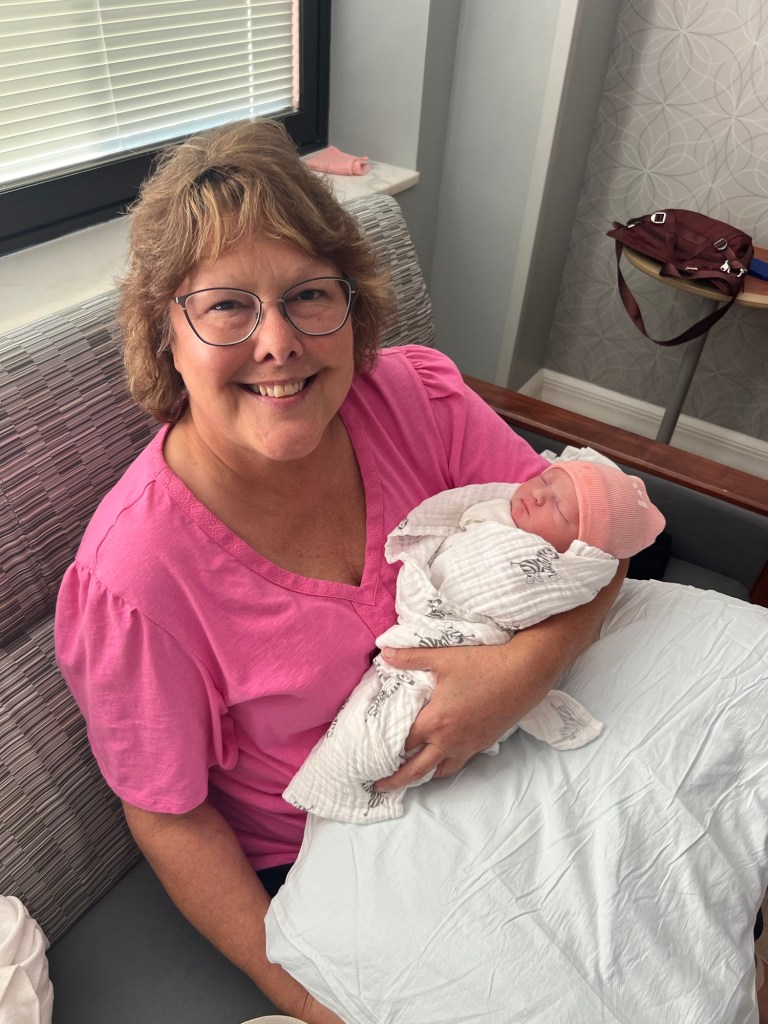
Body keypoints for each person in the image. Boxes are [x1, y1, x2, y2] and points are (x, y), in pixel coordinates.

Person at [53, 118, 626, 1024]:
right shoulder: (136, 579)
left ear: (352, 305)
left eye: (309, 296)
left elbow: (595, 543)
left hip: (512, 751)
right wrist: (314, 1004)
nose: (278, 342)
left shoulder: (415, 397)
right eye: (228, 306)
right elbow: (169, 815)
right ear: (165, 333)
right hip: (341, 847)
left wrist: (524, 671)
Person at [285, 458, 665, 822]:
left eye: (559, 510)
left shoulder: (550, 561)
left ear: (579, 550)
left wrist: (517, 676)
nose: (536, 495)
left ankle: (346, 774)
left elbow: (607, 563)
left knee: (390, 722)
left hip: (466, 638)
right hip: (424, 627)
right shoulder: (495, 510)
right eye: (545, 481)